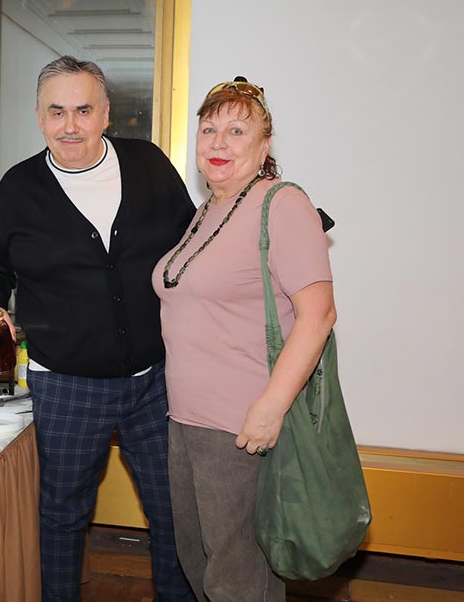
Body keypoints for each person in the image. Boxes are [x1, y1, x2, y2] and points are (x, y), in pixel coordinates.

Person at [0, 55, 197, 602]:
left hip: (156, 382)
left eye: (83, 110)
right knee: (62, 517)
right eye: (56, 112)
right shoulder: (19, 188)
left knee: (174, 514)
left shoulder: (148, 165)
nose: (69, 125)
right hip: (65, 385)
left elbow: (192, 245)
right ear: (39, 116)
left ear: (105, 114)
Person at [153, 76, 337, 601]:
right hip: (186, 421)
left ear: (264, 145)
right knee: (199, 566)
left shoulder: (281, 204)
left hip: (239, 427)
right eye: (209, 130)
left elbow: (319, 315)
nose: (219, 143)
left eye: (237, 131)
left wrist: (270, 409)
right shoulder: (209, 210)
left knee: (239, 582)